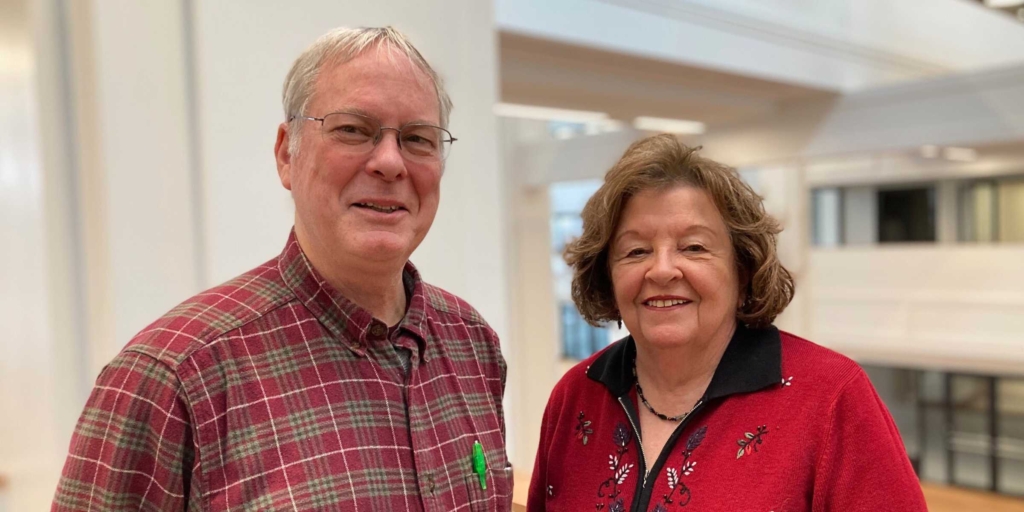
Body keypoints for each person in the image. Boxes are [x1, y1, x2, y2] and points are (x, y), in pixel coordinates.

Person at [53, 26, 511, 511]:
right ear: (285, 153)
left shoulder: (472, 345)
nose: (390, 162)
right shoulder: (172, 377)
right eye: (353, 129)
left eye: (418, 138)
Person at [527, 134, 926, 511]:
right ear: (606, 275)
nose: (662, 269)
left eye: (694, 247)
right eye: (635, 251)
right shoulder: (576, 397)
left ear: (744, 268)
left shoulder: (832, 397)